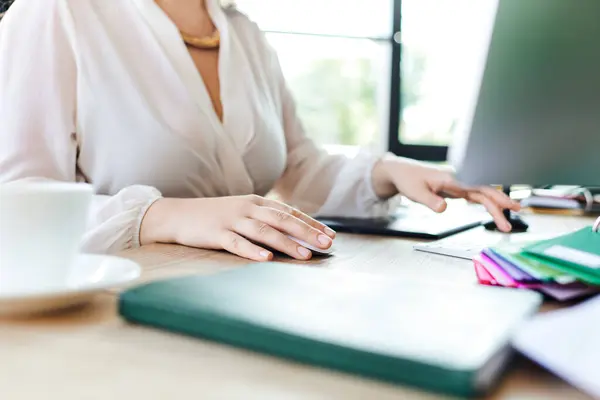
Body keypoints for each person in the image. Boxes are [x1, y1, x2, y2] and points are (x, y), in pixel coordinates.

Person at [0, 0, 519, 262]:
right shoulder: (55, 13)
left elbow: (296, 171)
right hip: (118, 313)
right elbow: (14, 203)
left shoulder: (242, 31)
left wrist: (389, 172)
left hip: (243, 294)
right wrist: (162, 216)